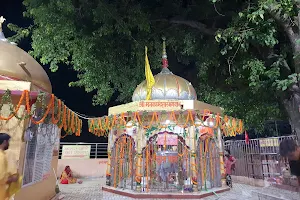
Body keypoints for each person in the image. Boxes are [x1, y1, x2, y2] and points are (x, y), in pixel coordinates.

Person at [0, 133, 19, 200]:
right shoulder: (2, 157)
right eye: (8, 141)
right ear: (5, 142)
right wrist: (12, 179)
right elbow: (1, 178)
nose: (9, 144)